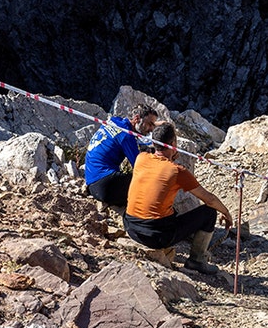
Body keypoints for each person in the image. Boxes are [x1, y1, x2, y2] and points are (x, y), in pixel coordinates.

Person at [124, 123, 233, 274]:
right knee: (209, 213)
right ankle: (197, 261)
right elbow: (209, 199)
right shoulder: (177, 171)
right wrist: (226, 213)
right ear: (174, 144)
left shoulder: (141, 158)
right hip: (155, 236)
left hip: (131, 227)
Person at [84, 103, 159, 207]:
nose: (151, 129)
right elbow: (139, 167)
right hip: (106, 184)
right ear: (137, 119)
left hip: (91, 181)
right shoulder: (127, 136)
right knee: (151, 186)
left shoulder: (114, 121)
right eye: (150, 124)